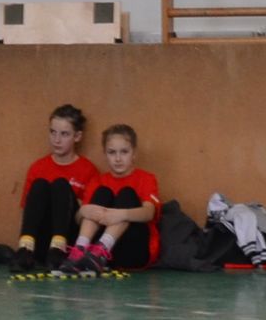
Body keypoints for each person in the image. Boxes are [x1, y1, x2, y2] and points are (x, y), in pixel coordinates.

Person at [10, 102, 98, 274]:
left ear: (77, 136)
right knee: (40, 184)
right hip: (43, 242)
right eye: (53, 132)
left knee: (60, 185)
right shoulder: (38, 167)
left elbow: (87, 217)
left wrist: (67, 200)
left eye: (64, 134)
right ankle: (25, 250)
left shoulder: (88, 170)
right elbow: (28, 211)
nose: (57, 140)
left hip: (69, 242)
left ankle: (58, 248)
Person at [64, 123, 160, 274]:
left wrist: (121, 215)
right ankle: (79, 250)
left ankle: (103, 247)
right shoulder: (97, 181)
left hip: (133, 252)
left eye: (124, 152)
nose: (118, 158)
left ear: (134, 153)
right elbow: (78, 219)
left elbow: (149, 213)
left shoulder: (145, 178)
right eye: (112, 152)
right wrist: (82, 211)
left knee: (127, 194)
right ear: (105, 154)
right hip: (101, 258)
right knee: (102, 192)